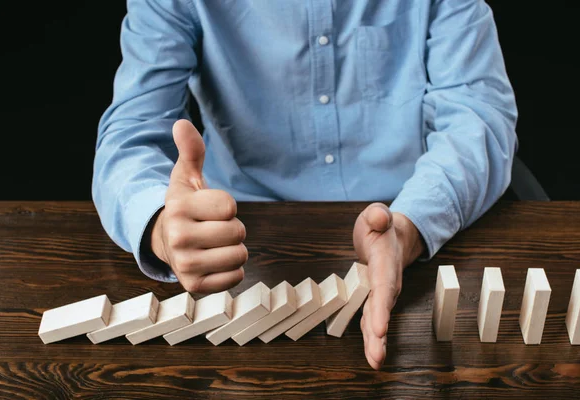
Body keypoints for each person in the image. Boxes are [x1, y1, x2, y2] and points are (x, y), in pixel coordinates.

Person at [92, 0, 517, 370]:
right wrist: (164, 229)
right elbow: (130, 133)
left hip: (414, 229)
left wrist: (407, 230)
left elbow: (477, 116)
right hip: (237, 248)